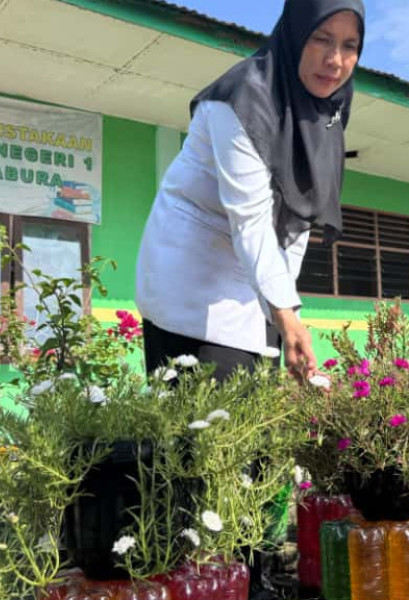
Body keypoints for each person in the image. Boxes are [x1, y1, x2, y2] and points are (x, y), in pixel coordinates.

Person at [135, 0, 365, 385]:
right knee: (202, 430)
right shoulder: (243, 97)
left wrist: (287, 311)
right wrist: (285, 313)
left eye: (349, 45)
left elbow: (297, 220)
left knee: (252, 424)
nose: (335, 60)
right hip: (194, 280)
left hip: (258, 284)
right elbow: (250, 217)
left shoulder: (326, 113)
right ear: (294, 34)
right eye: (321, 39)